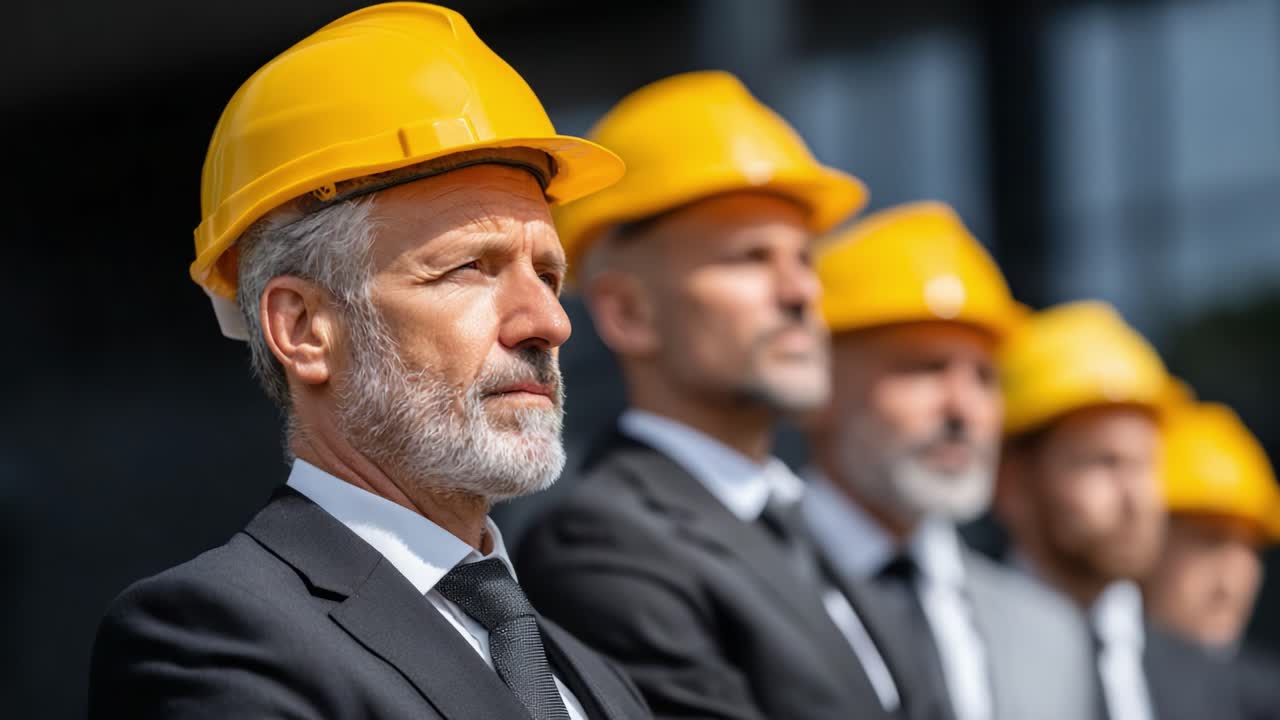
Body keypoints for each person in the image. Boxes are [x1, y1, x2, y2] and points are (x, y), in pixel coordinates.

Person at [87, 5, 650, 718]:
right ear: (304, 328)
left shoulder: (595, 677)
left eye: (547, 274)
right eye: (472, 268)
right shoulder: (208, 637)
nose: (549, 322)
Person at [517, 71, 945, 720]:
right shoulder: (598, 546)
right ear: (629, 312)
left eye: (804, 258)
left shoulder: (806, 523)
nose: (801, 292)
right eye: (751, 257)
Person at [803, 201, 1098, 720]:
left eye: (985, 378)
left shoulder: (1051, 633)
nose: (963, 408)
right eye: (925, 368)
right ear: (818, 384)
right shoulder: (739, 592)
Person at [995, 301, 1241, 720]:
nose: (1136, 498)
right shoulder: (955, 659)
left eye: (1146, 464)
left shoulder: (1213, 685)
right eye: (1102, 462)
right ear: (1012, 483)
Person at [1143, 400, 1280, 719]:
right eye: (1210, 541)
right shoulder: (1080, 674)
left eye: (1250, 547)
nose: (1233, 577)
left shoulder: (1267, 698)